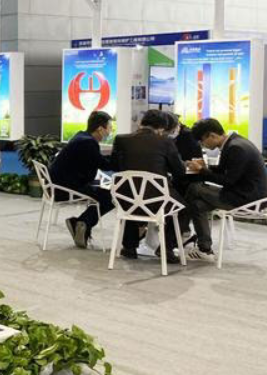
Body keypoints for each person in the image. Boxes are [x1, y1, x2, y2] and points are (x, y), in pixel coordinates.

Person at [110, 109, 188, 262]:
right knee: (184, 209)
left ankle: (129, 247)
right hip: (157, 202)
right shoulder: (166, 142)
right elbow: (179, 171)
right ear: (162, 128)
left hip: (125, 199)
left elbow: (114, 165)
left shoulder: (121, 139)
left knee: (133, 191)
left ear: (141, 122)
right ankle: (166, 248)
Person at [184, 118, 267, 261]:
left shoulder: (236, 148)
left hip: (246, 199)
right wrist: (205, 167)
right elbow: (227, 171)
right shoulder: (235, 142)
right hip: (245, 194)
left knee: (194, 188)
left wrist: (202, 171)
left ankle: (178, 233)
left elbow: (228, 181)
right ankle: (205, 250)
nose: (202, 145)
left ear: (211, 135)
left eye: (202, 141)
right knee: (197, 205)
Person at [49, 111, 114, 248]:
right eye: (109, 128)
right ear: (100, 129)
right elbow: (104, 164)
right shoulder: (88, 143)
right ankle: (82, 222)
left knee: (103, 188)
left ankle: (80, 223)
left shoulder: (81, 136)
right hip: (66, 188)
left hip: (60, 184)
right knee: (111, 196)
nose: (110, 131)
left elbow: (97, 160)